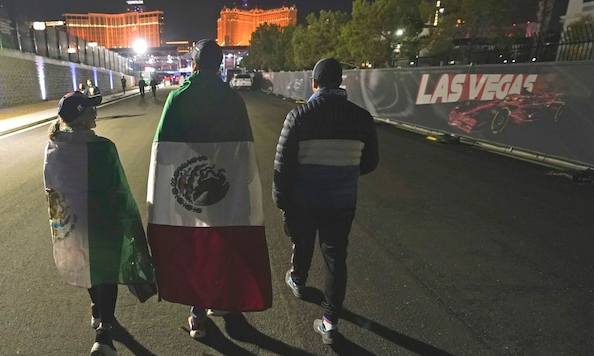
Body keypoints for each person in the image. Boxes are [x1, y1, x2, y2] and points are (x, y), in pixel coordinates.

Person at [146, 39, 272, 339]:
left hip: (188, 189)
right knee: (224, 245)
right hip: (226, 190)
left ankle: (198, 314)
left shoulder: (178, 98)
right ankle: (221, 300)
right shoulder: (232, 99)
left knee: (196, 247)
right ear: (220, 65)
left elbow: (162, 152)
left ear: (194, 63)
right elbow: (244, 149)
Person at [272, 57, 379, 345]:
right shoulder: (362, 118)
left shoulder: (299, 116)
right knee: (335, 257)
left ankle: (298, 280)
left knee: (303, 241)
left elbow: (283, 166)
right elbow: (369, 162)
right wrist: (343, 170)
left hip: (304, 200)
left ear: (315, 83)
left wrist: (281, 200)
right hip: (341, 202)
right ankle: (330, 322)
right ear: (340, 82)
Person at [43, 91, 155, 356]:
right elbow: (119, 190)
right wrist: (130, 222)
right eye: (91, 109)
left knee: (86, 261)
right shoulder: (103, 147)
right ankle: (103, 333)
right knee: (106, 270)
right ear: (81, 114)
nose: (96, 112)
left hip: (73, 221)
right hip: (104, 220)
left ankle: (97, 309)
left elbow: (52, 188)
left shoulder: (53, 146)